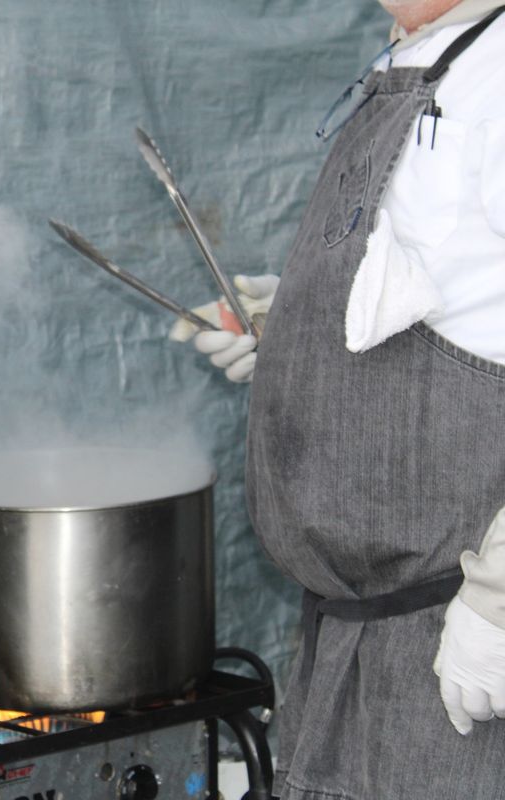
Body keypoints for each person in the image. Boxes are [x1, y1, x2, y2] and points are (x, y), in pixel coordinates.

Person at [178, 0, 505, 797]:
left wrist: (500, 597)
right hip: (361, 655)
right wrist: (298, 329)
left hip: (458, 648)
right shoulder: (428, 54)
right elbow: (462, 296)